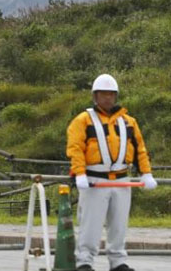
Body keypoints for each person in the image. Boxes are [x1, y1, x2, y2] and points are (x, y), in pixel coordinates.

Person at [66, 73, 157, 271]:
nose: (107, 98)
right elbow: (75, 148)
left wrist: (146, 173)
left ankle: (118, 261)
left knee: (119, 225)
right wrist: (79, 173)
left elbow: (140, 149)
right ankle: (84, 262)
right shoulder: (83, 120)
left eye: (111, 94)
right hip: (94, 180)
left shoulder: (128, 121)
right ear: (95, 96)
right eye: (103, 94)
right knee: (90, 225)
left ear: (116, 96)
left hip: (123, 180)